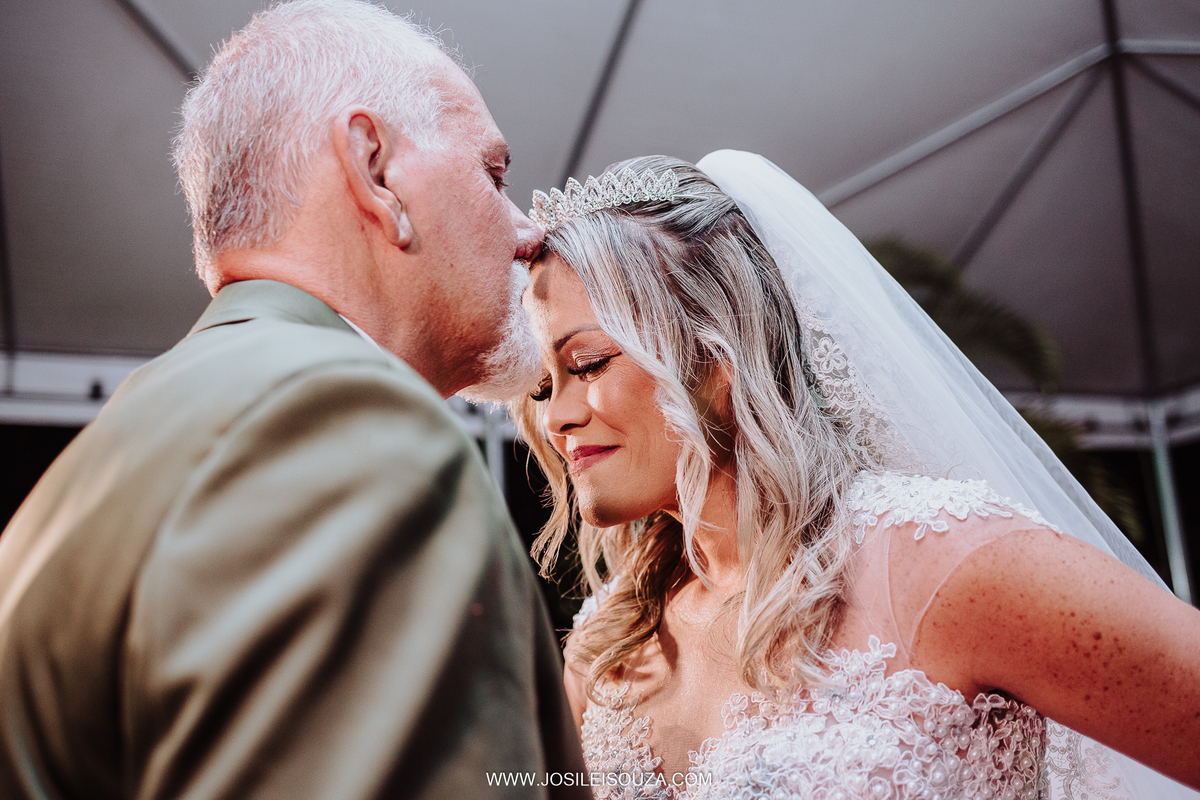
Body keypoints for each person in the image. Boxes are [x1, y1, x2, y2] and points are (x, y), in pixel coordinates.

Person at [0, 1, 587, 797]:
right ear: (375, 170)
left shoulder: (112, 452)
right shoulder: (349, 427)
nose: (526, 231)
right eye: (494, 173)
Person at [512, 150, 1200, 799]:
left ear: (721, 354)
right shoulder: (606, 648)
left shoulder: (944, 564)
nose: (556, 418)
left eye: (588, 363)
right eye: (542, 388)